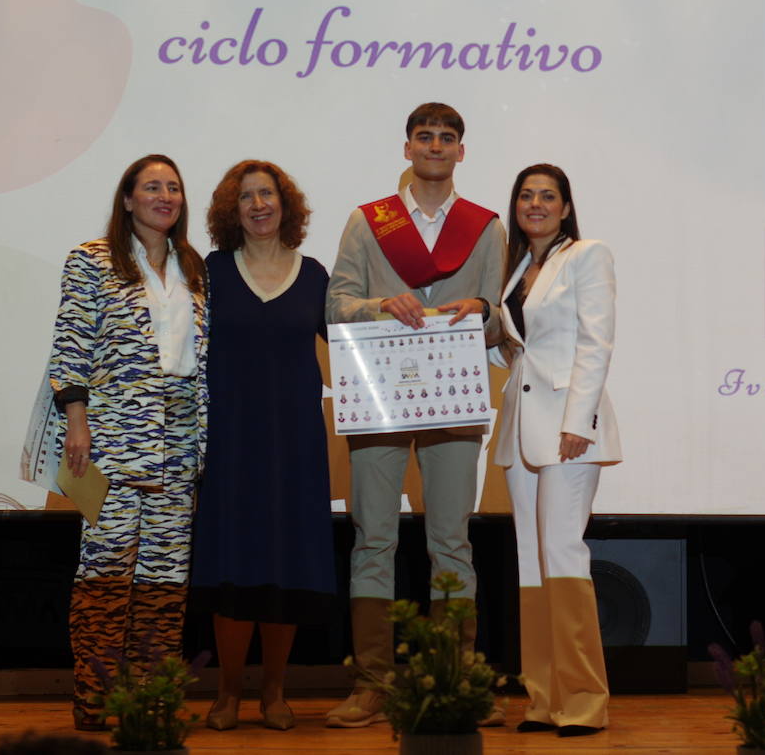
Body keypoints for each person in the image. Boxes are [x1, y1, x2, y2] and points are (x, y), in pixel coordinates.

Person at [324, 102, 505, 729]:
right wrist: (379, 304)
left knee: (450, 541)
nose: (435, 145)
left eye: (446, 137)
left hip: (453, 395)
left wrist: (478, 306)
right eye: (424, 136)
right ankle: (373, 683)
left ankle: (450, 682)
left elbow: (496, 317)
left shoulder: (486, 227)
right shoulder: (367, 221)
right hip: (379, 394)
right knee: (374, 537)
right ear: (407, 148)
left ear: (461, 151)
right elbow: (337, 304)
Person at [48, 154, 208, 731]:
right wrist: (77, 421)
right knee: (105, 580)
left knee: (164, 583)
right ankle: (96, 703)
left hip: (181, 443)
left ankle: (150, 702)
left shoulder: (194, 265)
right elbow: (70, 345)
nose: (164, 196)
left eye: (173, 188)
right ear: (127, 198)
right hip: (111, 442)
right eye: (151, 187)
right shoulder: (91, 261)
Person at [189, 160, 335, 732]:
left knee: (287, 566)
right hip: (231, 441)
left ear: (285, 204)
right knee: (233, 565)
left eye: (267, 194)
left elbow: (354, 341)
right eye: (246, 197)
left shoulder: (317, 273)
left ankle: (274, 691)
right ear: (232, 209)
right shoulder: (211, 272)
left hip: (296, 444)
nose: (258, 205)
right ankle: (227, 693)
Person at [493, 163, 620, 738]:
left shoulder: (587, 255)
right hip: (523, 427)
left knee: (564, 555)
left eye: (548, 196)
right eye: (526, 196)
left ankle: (586, 700)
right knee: (531, 562)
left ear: (566, 207)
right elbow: (520, 350)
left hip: (568, 428)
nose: (536, 204)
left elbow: (596, 342)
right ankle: (543, 698)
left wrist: (579, 422)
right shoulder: (518, 266)